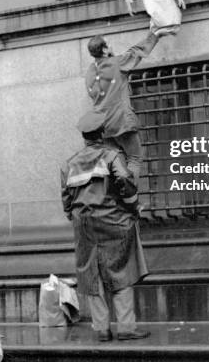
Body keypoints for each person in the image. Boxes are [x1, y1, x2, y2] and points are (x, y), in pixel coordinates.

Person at [61, 110, 150, 342]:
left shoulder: (69, 164)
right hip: (114, 221)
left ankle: (102, 329)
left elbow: (67, 200)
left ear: (85, 137)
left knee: (92, 275)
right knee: (121, 270)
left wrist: (75, 217)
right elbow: (127, 184)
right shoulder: (112, 156)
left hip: (85, 226)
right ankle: (126, 328)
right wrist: (133, 209)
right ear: (102, 133)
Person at [84, 27, 166, 183]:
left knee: (115, 164)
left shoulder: (89, 72)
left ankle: (118, 199)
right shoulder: (117, 62)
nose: (112, 45)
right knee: (134, 158)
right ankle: (130, 196)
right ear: (105, 49)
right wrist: (154, 35)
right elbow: (136, 52)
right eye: (109, 43)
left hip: (103, 126)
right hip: (121, 121)